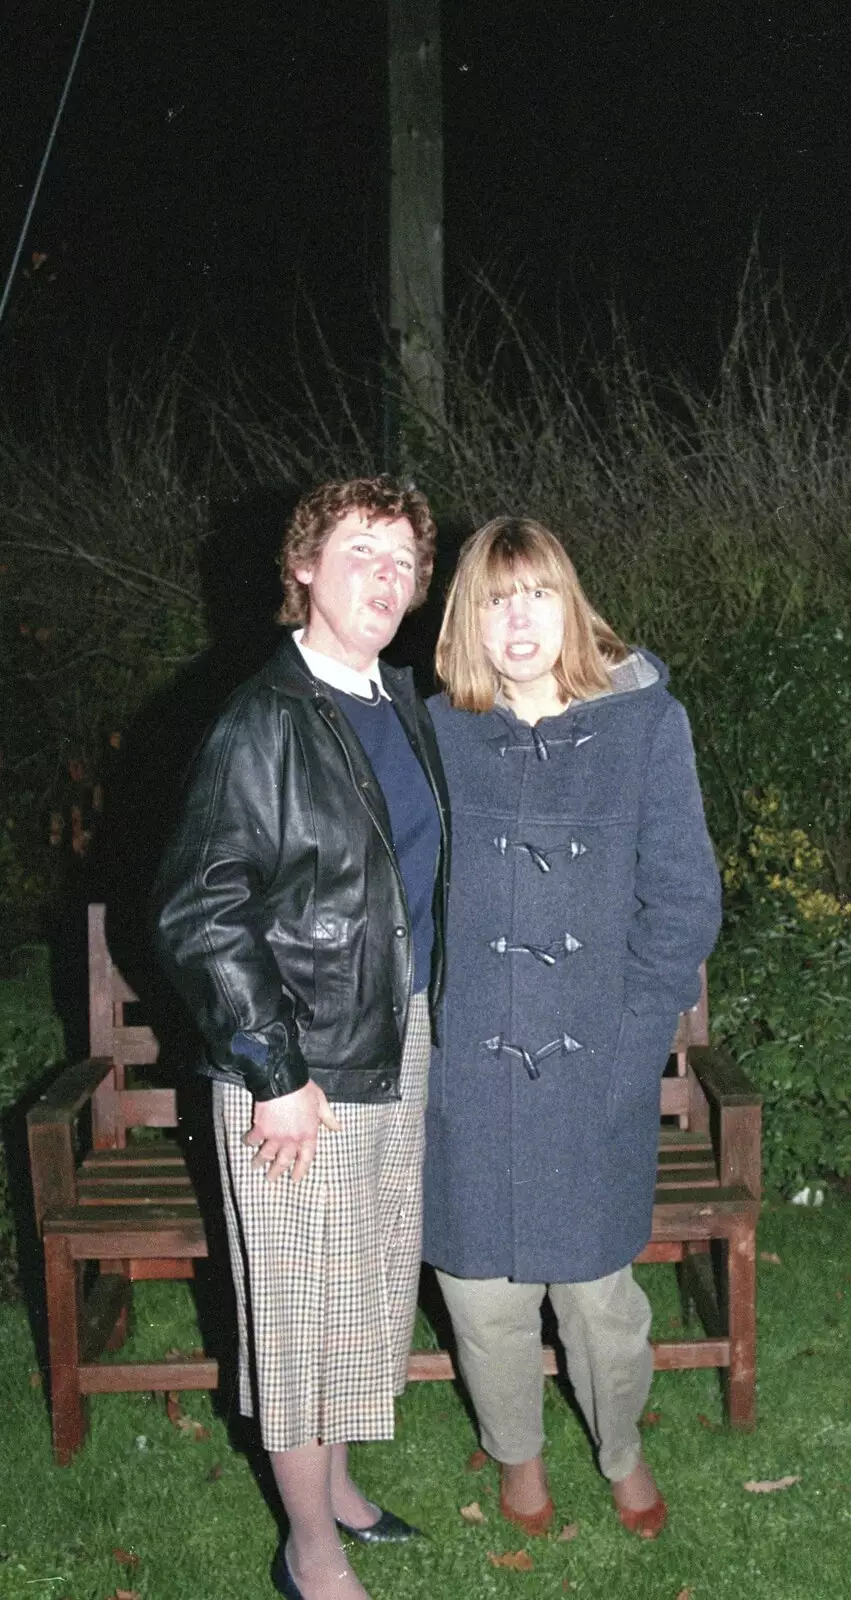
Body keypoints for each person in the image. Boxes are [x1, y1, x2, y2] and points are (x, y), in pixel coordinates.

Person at [153, 476, 450, 1600]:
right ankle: (308, 1547)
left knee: (365, 1283)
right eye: (358, 551)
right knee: (295, 1308)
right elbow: (200, 904)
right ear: (304, 570)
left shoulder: (399, 702)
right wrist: (274, 1069)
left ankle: (338, 1492)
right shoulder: (264, 716)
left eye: (401, 561)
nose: (383, 577)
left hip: (391, 1038)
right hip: (297, 1066)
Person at [423, 516, 721, 1540]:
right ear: (468, 615)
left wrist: (634, 1043)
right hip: (470, 1070)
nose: (517, 618)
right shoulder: (437, 733)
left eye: (536, 592)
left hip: (597, 1066)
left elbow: (684, 903)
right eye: (495, 598)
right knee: (481, 1292)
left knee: (599, 1300)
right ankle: (517, 1454)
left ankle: (622, 1446)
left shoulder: (646, 726)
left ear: (571, 604)